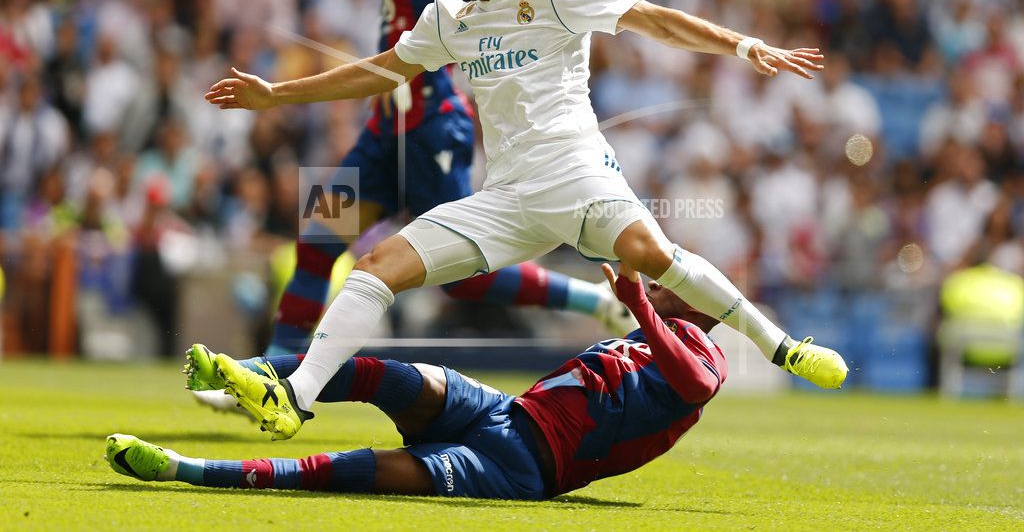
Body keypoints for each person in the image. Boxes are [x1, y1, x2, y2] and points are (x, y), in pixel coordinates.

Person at [203, 0, 847, 440]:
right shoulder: (448, 14)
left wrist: (743, 44)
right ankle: (297, 398)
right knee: (375, 267)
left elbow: (653, 19)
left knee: (651, 254)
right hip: (505, 196)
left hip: (578, 175)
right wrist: (276, 95)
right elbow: (380, 72)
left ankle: (780, 344)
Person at [259, 0, 632, 358]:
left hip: (430, 126)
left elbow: (496, 0)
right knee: (318, 236)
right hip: (383, 129)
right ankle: (272, 371)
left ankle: (591, 298)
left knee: (459, 274)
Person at [106, 263, 729, 499]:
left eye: (681, 281)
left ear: (703, 306)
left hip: (528, 470)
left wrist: (642, 307)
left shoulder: (702, 351)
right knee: (386, 374)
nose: (665, 280)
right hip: (504, 413)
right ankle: (269, 382)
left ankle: (184, 469)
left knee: (355, 470)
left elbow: (694, 386)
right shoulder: (644, 335)